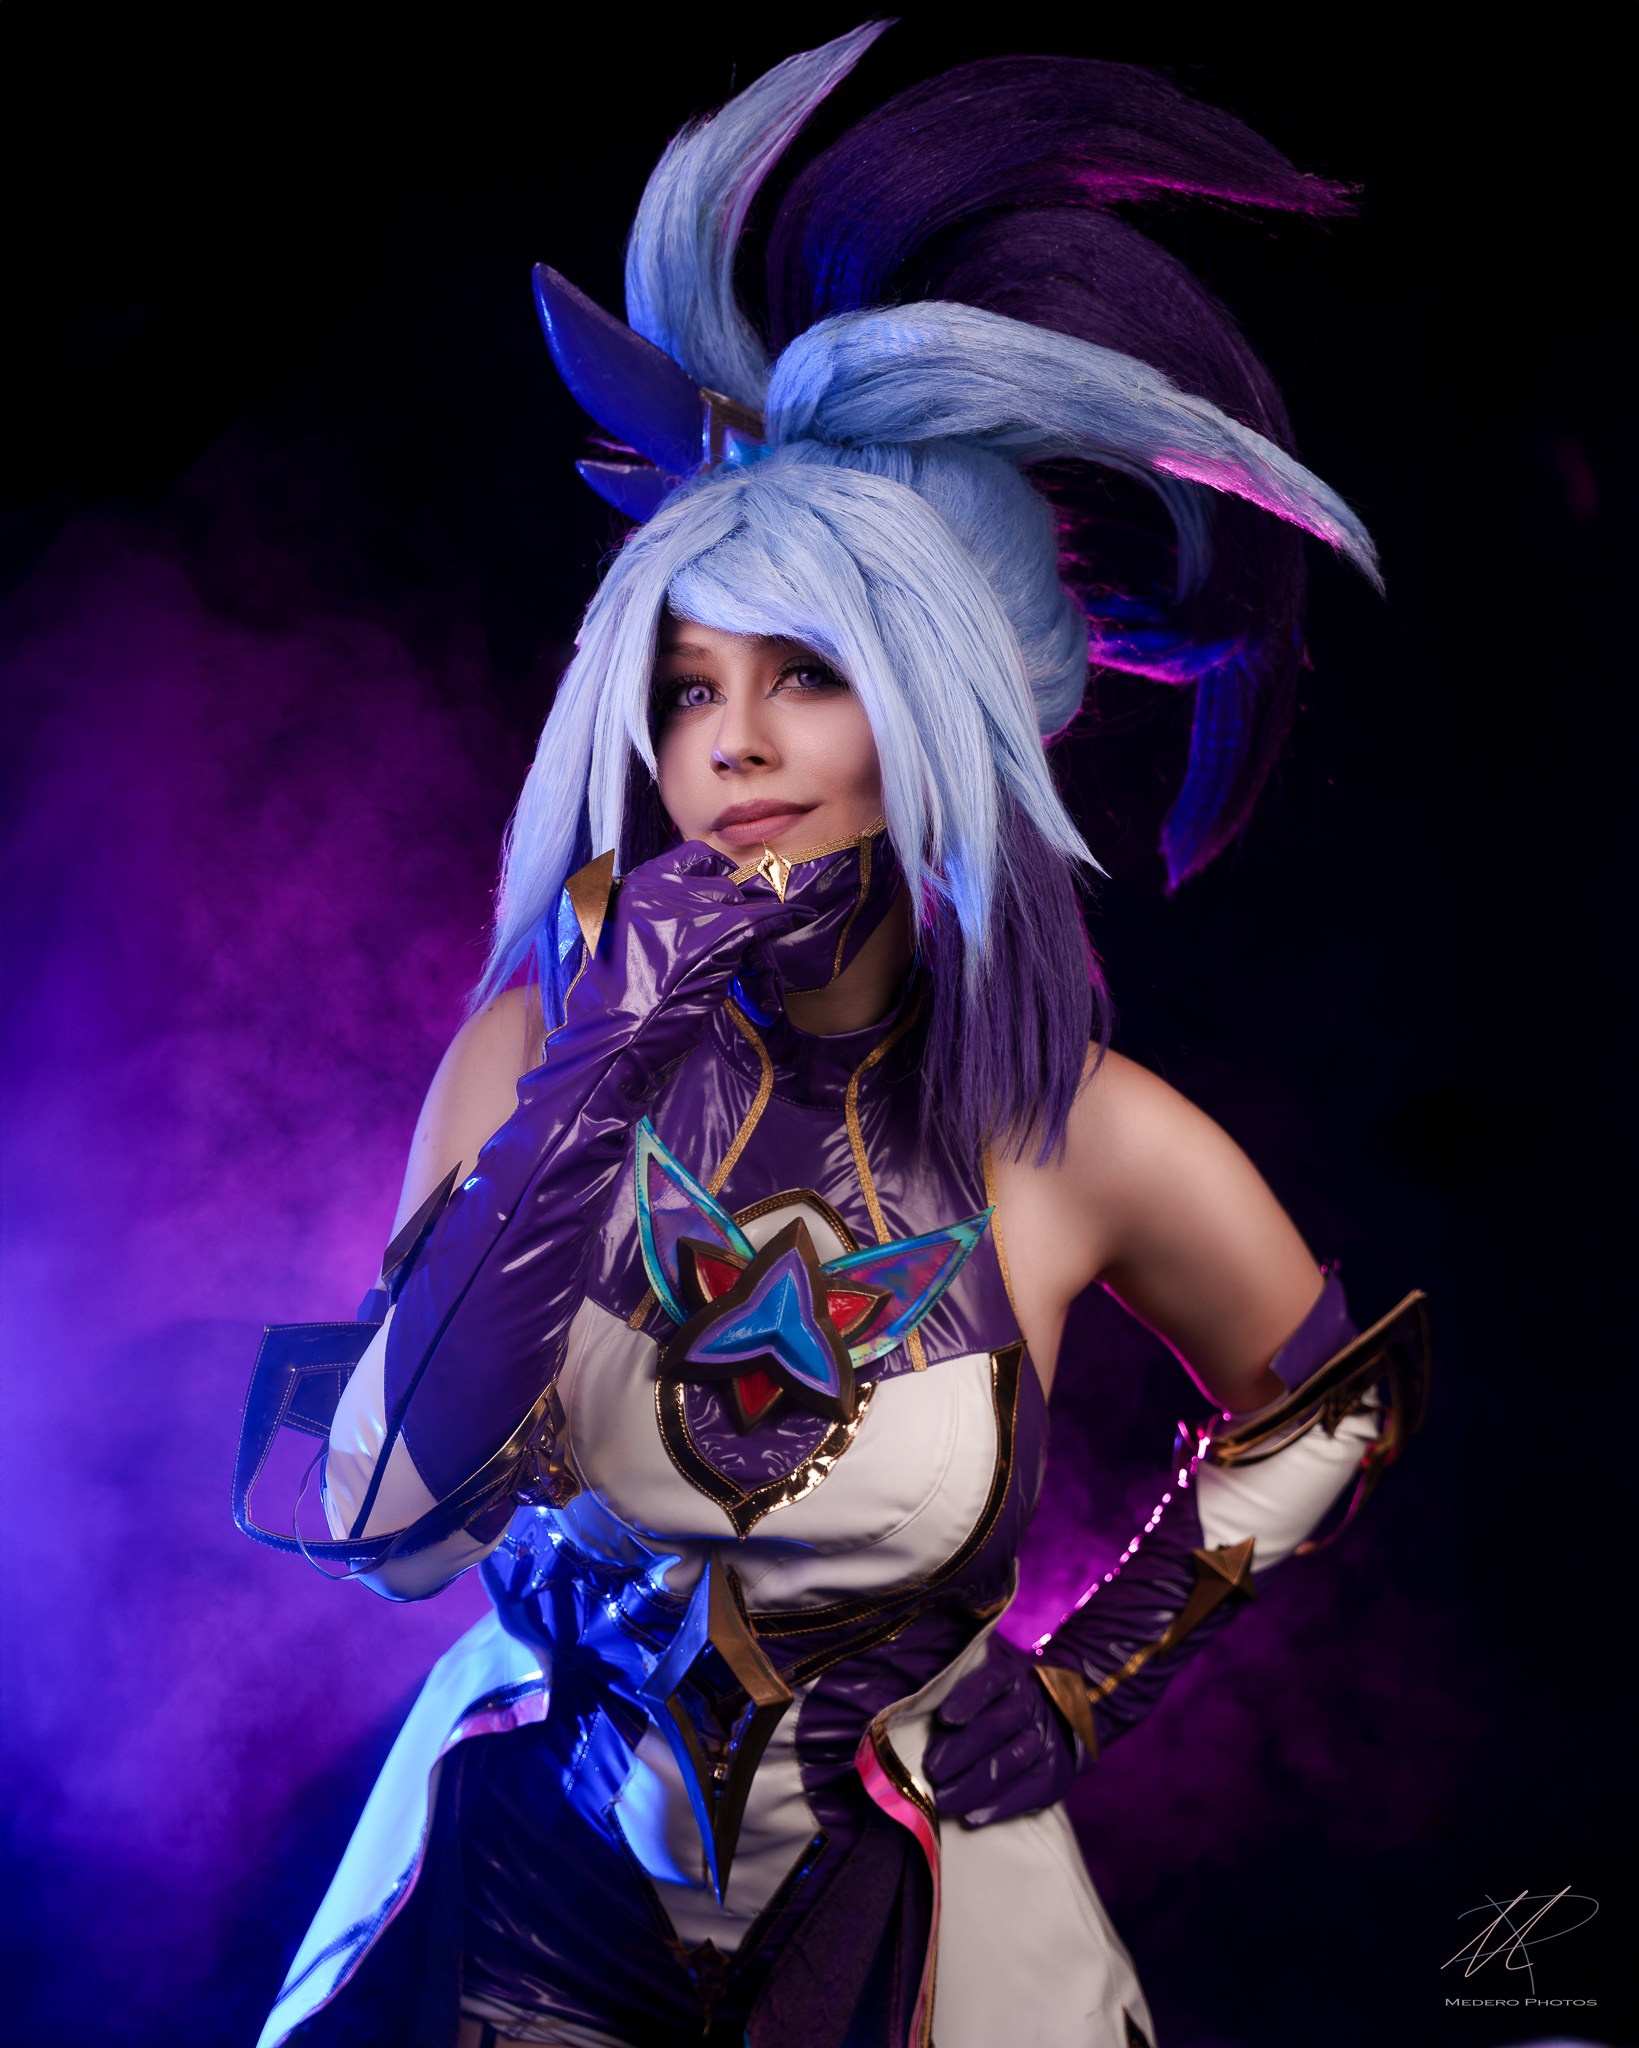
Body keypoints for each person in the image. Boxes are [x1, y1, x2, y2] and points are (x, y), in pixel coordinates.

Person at [234, 26, 1427, 2047]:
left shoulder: (1071, 1134)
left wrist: (1092, 1679)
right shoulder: (534, 1039)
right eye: (689, 682)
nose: (730, 745)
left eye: (804, 675)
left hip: (891, 1906)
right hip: (525, 1880)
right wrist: (603, 1058)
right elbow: (390, 1524)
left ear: (942, 703)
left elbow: (1330, 1403)